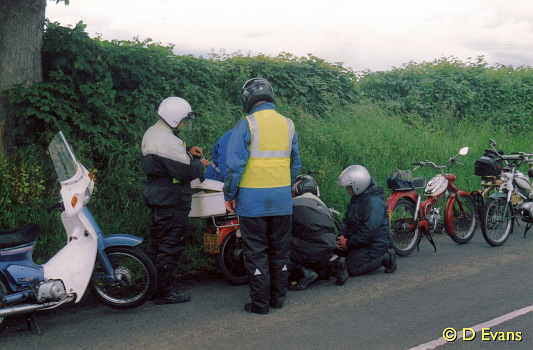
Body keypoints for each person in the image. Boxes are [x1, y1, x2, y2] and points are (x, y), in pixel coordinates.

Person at [223, 77, 301, 315]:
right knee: (279, 251)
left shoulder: (246, 124)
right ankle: (278, 299)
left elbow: (234, 166)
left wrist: (229, 194)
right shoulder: (288, 124)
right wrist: (285, 188)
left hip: (251, 202)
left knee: (256, 252)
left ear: (248, 99)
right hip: (281, 200)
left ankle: (260, 304)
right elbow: (295, 163)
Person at [141, 96, 210, 305]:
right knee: (170, 244)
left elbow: (166, 161)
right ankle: (165, 292)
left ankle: (152, 288)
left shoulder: (153, 132)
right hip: (172, 198)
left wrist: (187, 152)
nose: (183, 125)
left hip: (157, 195)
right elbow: (185, 170)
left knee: (158, 243)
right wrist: (201, 164)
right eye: (182, 121)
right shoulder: (168, 140)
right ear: (173, 119)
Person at [288, 175, 349, 291]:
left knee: (280, 248)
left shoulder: (293, 203)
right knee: (313, 247)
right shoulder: (324, 206)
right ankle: (337, 264)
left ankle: (305, 272)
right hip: (329, 247)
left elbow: (283, 230)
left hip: (310, 249)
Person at [335, 165, 397, 277]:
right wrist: (342, 238)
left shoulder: (374, 202)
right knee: (333, 257)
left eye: (349, 187)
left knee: (349, 269)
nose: (346, 189)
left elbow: (369, 231)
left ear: (357, 186)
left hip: (374, 244)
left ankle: (386, 257)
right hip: (360, 241)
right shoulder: (357, 198)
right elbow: (347, 221)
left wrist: (348, 243)